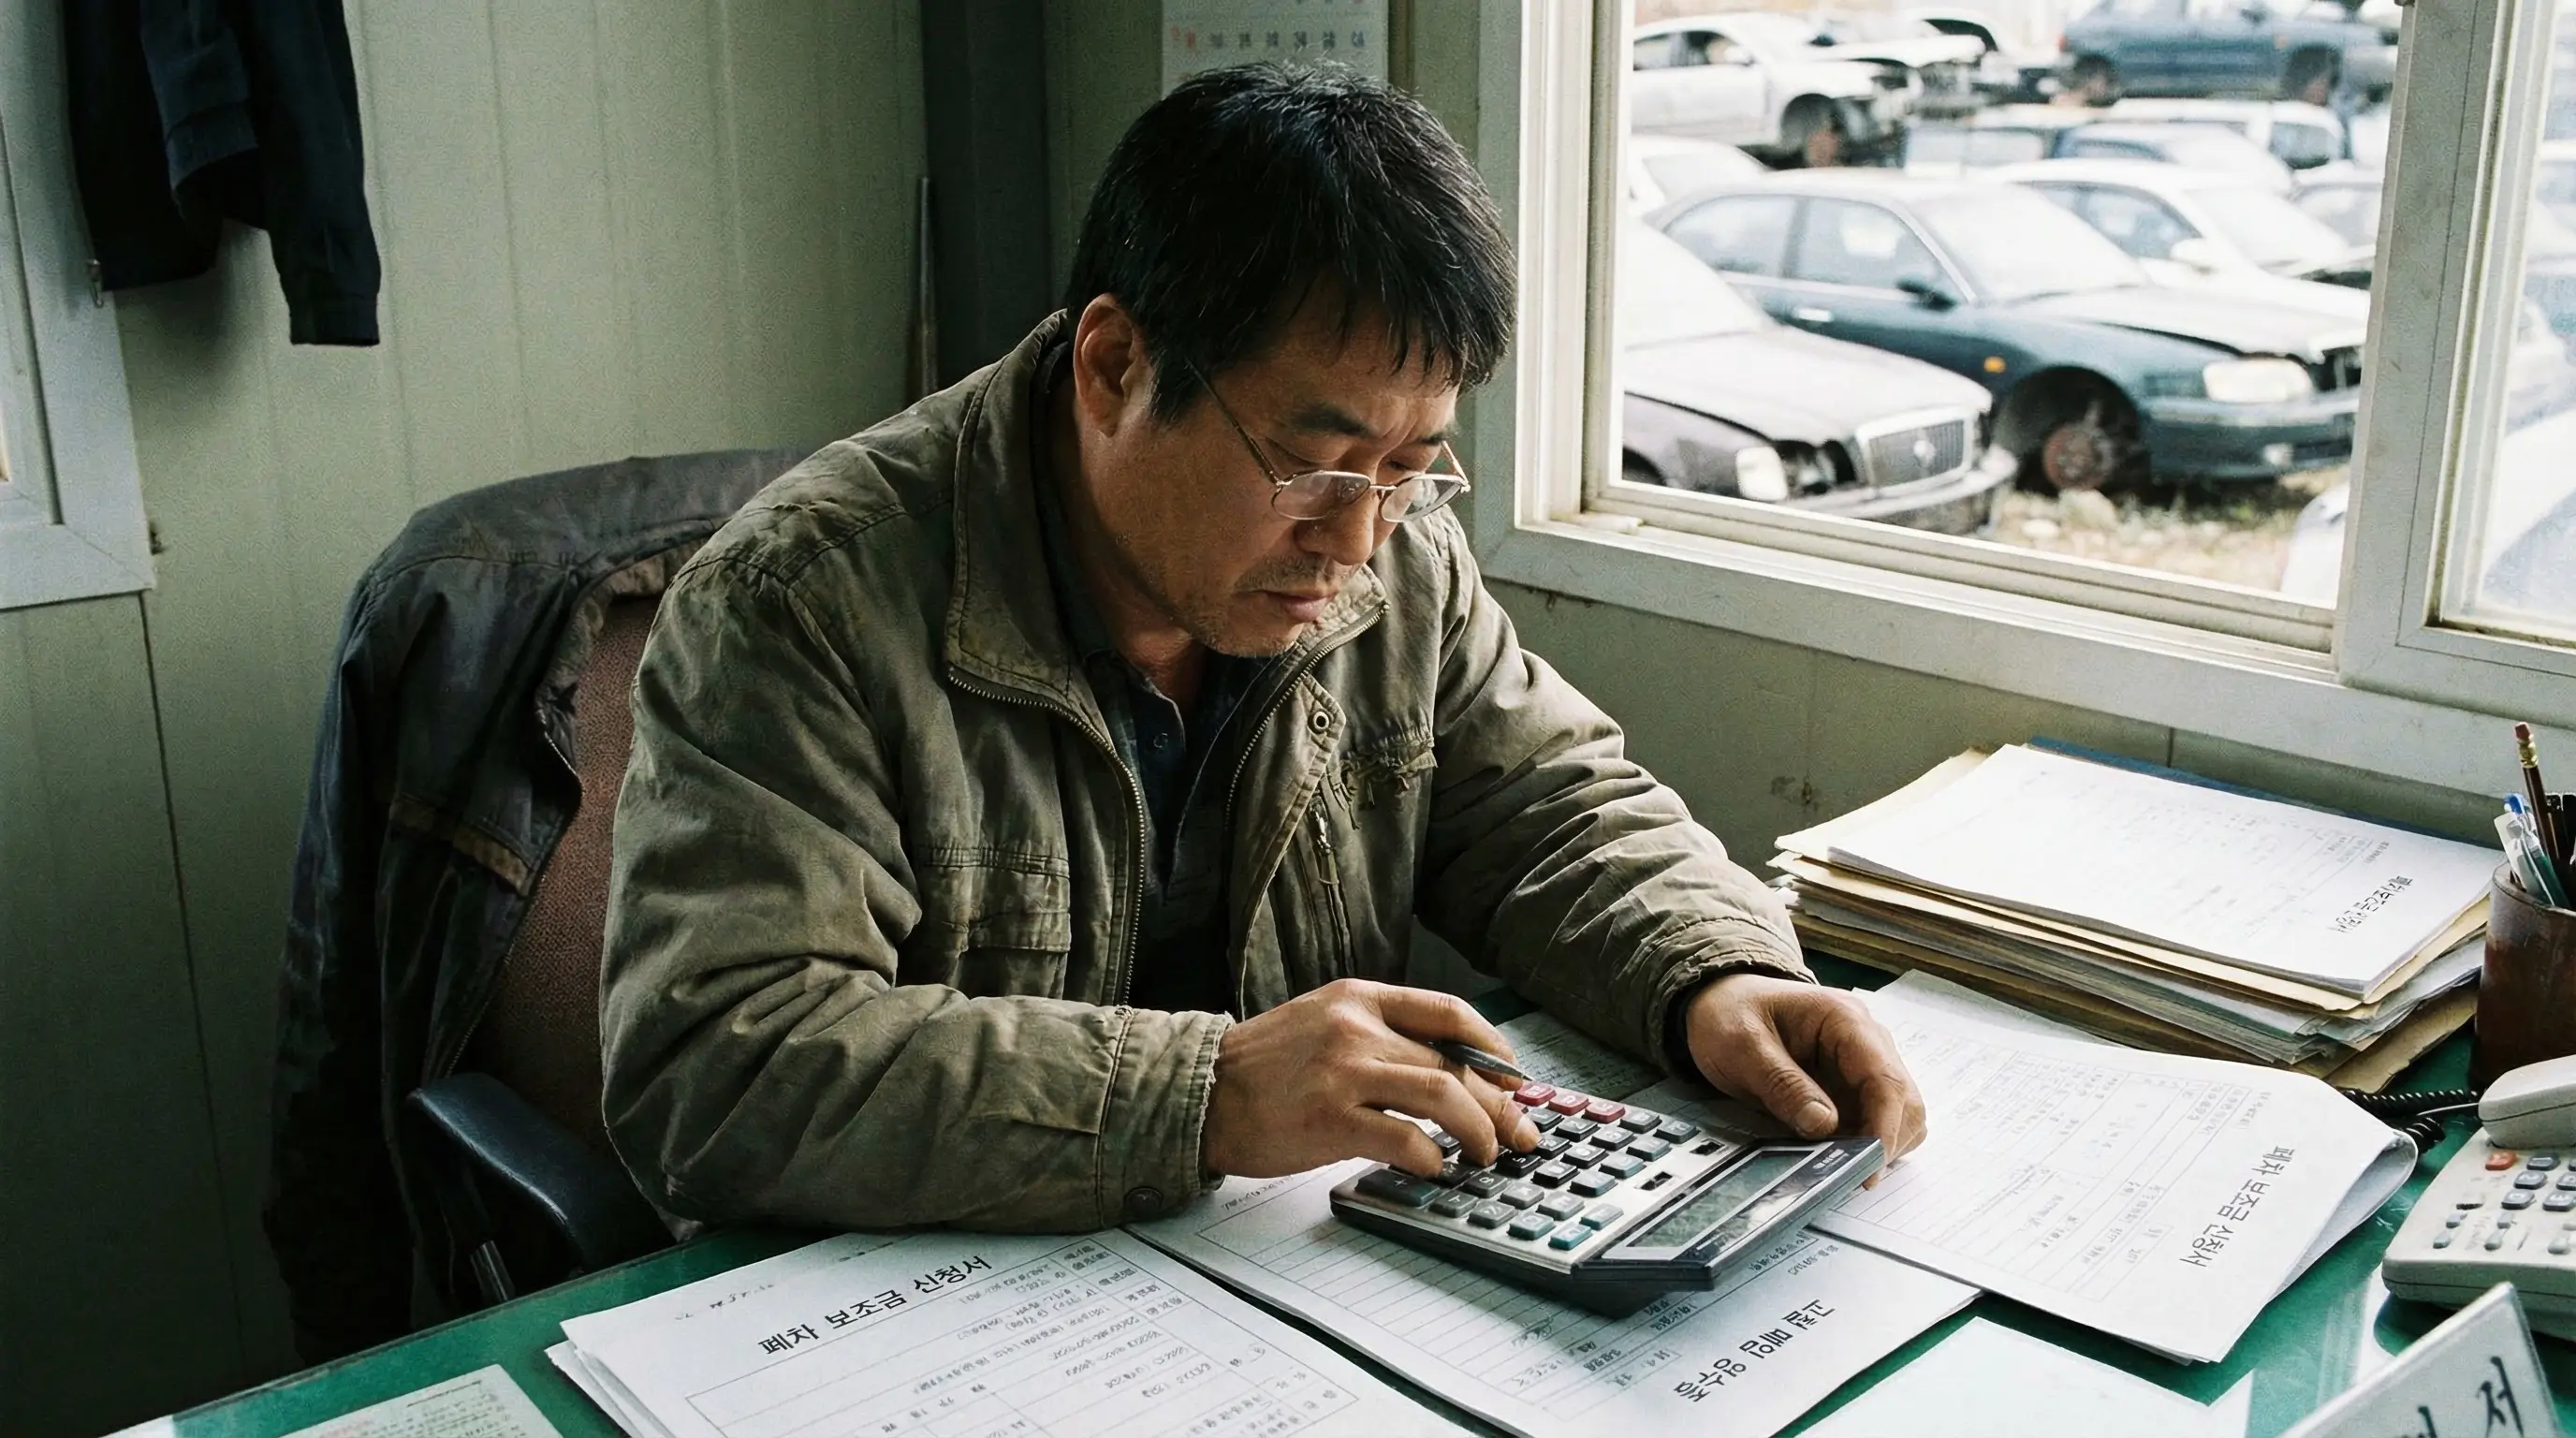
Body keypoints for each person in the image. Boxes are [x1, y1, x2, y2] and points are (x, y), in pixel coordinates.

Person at [600, 63, 1925, 1232]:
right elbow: (723, 1069)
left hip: (1279, 1271)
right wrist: (1207, 1097)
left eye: (1411, 468)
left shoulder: (1393, 543)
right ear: (1116, 366)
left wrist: (1714, 969)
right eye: (1311, 465)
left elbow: (1545, 807)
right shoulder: (799, 604)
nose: (1355, 543)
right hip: (917, 1301)